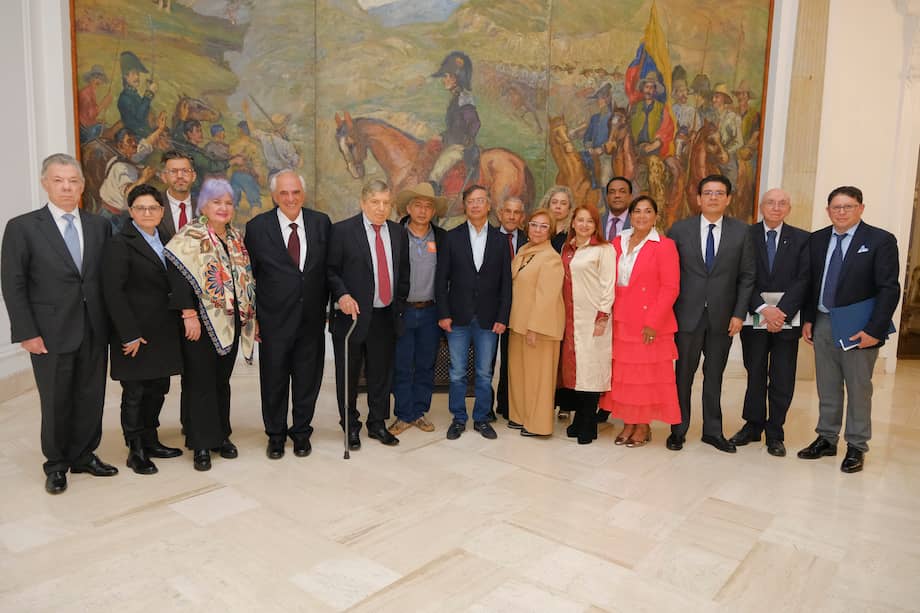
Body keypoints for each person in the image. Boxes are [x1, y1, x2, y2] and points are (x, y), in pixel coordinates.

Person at [1, 153, 116, 494]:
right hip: (49, 332)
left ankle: (84, 455)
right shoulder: (23, 227)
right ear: (45, 183)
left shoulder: (99, 225)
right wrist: (27, 332)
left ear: (82, 185)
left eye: (73, 181)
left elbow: (104, 279)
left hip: (94, 327)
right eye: (59, 180)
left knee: (92, 395)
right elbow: (13, 283)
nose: (67, 187)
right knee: (56, 400)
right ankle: (56, 464)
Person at [799, 186, 900, 473]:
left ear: (861, 208)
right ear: (828, 210)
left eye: (848, 207)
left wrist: (875, 330)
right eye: (836, 207)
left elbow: (889, 289)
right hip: (822, 321)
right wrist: (808, 318)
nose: (841, 212)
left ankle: (856, 445)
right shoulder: (818, 239)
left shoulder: (880, 240)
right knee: (827, 385)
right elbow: (811, 282)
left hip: (859, 327)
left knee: (858, 388)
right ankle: (827, 438)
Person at [164, 178, 256, 471]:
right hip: (200, 324)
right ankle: (200, 442)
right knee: (199, 382)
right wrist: (188, 314)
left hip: (230, 321)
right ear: (204, 204)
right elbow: (178, 279)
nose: (223, 208)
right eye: (217, 202)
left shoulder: (235, 237)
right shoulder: (189, 236)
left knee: (220, 382)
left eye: (228, 203)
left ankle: (220, 436)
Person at [245, 170, 331, 459]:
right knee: (274, 380)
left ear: (303, 194)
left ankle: (302, 433)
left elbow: (328, 270)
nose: (291, 198)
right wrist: (254, 318)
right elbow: (250, 276)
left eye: (295, 192)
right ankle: (276, 435)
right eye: (284, 193)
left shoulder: (321, 223)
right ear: (274, 196)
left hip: (311, 319)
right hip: (274, 321)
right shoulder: (257, 228)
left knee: (308, 379)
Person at [667, 174, 755, 453]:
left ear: (728, 199)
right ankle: (678, 429)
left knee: (715, 374)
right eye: (708, 193)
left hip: (723, 317)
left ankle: (713, 431)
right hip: (686, 316)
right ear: (698, 198)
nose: (713, 197)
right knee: (683, 374)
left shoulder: (743, 232)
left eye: (719, 193)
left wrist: (739, 313)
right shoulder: (680, 230)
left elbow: (747, 276)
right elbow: (669, 275)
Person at [101, 184, 183, 475]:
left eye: (153, 208)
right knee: (135, 392)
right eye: (140, 208)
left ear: (161, 211)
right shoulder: (120, 243)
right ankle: (135, 450)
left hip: (163, 330)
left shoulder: (167, 238)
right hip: (135, 333)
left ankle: (151, 440)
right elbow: (113, 292)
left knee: (159, 387)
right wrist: (129, 334)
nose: (147, 213)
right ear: (131, 211)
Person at [327, 180, 409, 450]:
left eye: (386, 202)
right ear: (363, 203)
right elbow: (330, 271)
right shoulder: (342, 231)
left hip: (385, 316)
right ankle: (350, 425)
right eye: (375, 202)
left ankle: (377, 423)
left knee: (380, 374)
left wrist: (398, 304)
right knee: (348, 376)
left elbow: (403, 275)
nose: (381, 208)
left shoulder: (398, 233)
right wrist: (342, 295)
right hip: (351, 318)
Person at [730, 189, 810, 457]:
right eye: (771, 203)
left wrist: (782, 311)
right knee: (755, 373)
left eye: (782, 203)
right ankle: (752, 426)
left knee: (782, 377)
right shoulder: (745, 235)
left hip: (788, 316)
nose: (776, 207)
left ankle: (775, 432)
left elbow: (804, 279)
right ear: (761, 206)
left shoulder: (802, 238)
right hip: (755, 315)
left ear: (789, 208)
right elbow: (740, 276)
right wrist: (764, 308)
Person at [599, 195, 681, 446]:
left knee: (647, 377)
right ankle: (629, 422)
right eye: (637, 211)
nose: (642, 216)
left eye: (648, 211)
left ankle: (643, 426)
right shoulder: (617, 241)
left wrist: (653, 322)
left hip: (650, 322)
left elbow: (670, 288)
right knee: (626, 376)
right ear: (630, 215)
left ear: (656, 216)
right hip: (622, 320)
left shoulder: (664, 245)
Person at [436, 185, 511, 440]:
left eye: (481, 201)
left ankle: (481, 418)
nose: (476, 205)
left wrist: (503, 317)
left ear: (489, 205)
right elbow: (441, 279)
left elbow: (506, 284)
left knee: (484, 373)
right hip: (457, 317)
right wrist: (443, 313)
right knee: (457, 373)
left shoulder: (501, 241)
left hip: (489, 319)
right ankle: (458, 418)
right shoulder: (451, 237)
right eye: (471, 201)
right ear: (464, 206)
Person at [387, 183, 448, 436]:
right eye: (418, 205)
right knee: (401, 364)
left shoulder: (442, 238)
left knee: (425, 364)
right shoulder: (394, 235)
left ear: (433, 211)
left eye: (428, 206)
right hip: (403, 311)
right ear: (408, 208)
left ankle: (419, 412)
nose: (423, 211)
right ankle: (403, 414)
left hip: (431, 312)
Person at [557, 205, 615, 444]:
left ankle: (588, 425)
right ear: (573, 223)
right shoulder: (567, 249)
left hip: (593, 318)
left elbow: (608, 285)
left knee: (590, 371)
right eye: (580, 220)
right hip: (569, 318)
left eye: (589, 221)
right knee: (576, 372)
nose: (584, 225)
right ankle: (579, 420)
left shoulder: (604, 249)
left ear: (595, 226)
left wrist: (602, 316)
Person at [507, 208, 565, 436]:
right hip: (518, 323)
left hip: (539, 328)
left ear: (550, 230)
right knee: (520, 374)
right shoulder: (524, 250)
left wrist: (534, 328)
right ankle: (520, 417)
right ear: (527, 226)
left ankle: (538, 425)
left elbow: (546, 297)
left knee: (538, 378)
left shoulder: (551, 258)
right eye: (534, 224)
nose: (538, 230)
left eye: (544, 226)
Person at [429, 51, 481, 192]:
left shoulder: (464, 98)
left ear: (457, 78)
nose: (444, 80)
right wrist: (441, 136)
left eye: (447, 76)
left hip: (460, 147)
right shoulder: (456, 98)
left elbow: (474, 122)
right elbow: (456, 126)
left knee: (436, 172)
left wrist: (466, 141)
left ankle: (435, 195)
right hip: (454, 142)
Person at [494, 196, 527, 420]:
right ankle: (486, 406)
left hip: (518, 308)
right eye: (508, 211)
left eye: (517, 212)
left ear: (522, 217)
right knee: (486, 363)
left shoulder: (529, 240)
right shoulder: (487, 237)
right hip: (490, 307)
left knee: (511, 358)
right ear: (500, 213)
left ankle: (507, 405)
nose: (512, 216)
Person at [242, 99, 302, 177]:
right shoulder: (287, 144)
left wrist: (247, 112)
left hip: (272, 176)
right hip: (287, 175)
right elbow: (298, 164)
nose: (286, 127)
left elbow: (252, 131)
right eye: (285, 125)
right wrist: (299, 154)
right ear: (282, 127)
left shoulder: (265, 137)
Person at [158, 150, 197, 241]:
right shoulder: (153, 206)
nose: (180, 176)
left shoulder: (204, 208)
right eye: (173, 171)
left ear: (193, 176)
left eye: (185, 171)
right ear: (164, 177)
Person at [116, 51, 156, 138]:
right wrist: (149, 94)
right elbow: (139, 118)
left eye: (137, 73)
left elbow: (144, 111)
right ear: (125, 77)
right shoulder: (124, 98)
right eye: (133, 74)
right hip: (134, 137)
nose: (137, 77)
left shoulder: (133, 94)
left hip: (143, 134)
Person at [78, 64, 113, 143]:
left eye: (100, 78)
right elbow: (91, 114)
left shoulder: (92, 92)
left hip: (88, 125)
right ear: (90, 78)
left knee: (107, 126)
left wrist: (96, 121)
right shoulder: (85, 94)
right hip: (84, 130)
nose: (98, 80)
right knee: (106, 132)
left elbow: (89, 117)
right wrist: (104, 103)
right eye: (96, 77)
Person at [543, 185, 574, 253]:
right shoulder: (539, 229)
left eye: (563, 203)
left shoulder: (573, 233)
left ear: (569, 209)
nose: (558, 206)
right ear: (547, 205)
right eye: (554, 202)